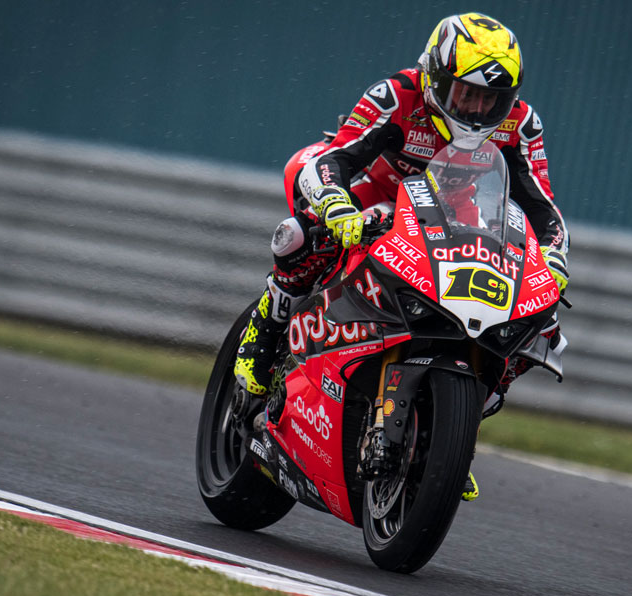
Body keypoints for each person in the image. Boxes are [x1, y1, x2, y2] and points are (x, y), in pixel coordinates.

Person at [233, 12, 570, 499]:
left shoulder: (521, 124)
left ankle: (450, 438)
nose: (476, 110)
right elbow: (334, 159)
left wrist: (555, 260)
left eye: (490, 99)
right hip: (374, 197)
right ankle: (263, 335)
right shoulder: (397, 96)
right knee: (303, 236)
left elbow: (542, 207)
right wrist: (334, 202)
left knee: (540, 321)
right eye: (466, 94)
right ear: (435, 77)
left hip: (454, 223)